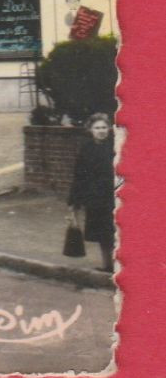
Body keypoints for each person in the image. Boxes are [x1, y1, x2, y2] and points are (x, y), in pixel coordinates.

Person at [67, 112, 117, 273]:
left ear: (109, 128)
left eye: (104, 127)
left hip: (115, 198)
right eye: (97, 128)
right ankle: (107, 266)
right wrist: (74, 201)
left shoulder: (116, 147)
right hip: (95, 199)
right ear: (90, 130)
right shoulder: (86, 149)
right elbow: (79, 175)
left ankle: (122, 268)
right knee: (103, 235)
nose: (101, 131)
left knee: (117, 233)